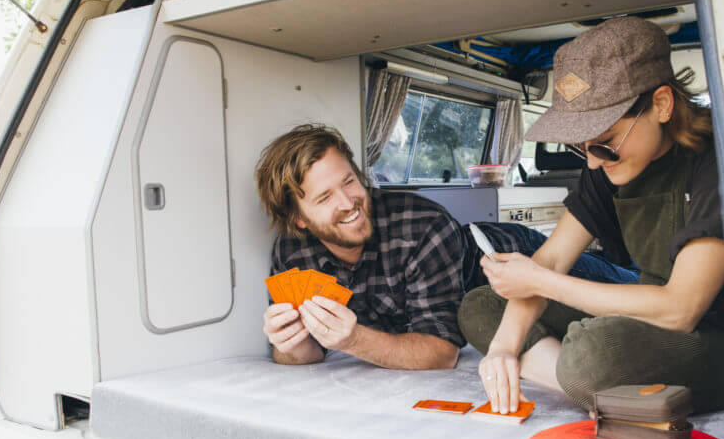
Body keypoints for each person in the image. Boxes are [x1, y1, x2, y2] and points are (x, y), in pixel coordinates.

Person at [458, 16, 724, 415]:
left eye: (605, 143)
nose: (591, 162)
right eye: (580, 147)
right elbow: (552, 258)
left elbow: (680, 309)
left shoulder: (716, 160)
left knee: (592, 353)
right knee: (482, 305)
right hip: (646, 316)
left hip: (713, 334)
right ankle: (590, 387)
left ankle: (587, 380)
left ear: (661, 104)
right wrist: (502, 350)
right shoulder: (607, 165)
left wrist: (540, 282)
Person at [254, 124, 637, 370]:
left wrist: (353, 340)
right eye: (324, 198)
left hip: (508, 251)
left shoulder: (419, 226)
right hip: (478, 281)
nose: (349, 202)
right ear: (299, 218)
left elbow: (441, 352)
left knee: (627, 289)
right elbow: (303, 356)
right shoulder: (293, 253)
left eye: (350, 181)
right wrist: (290, 342)